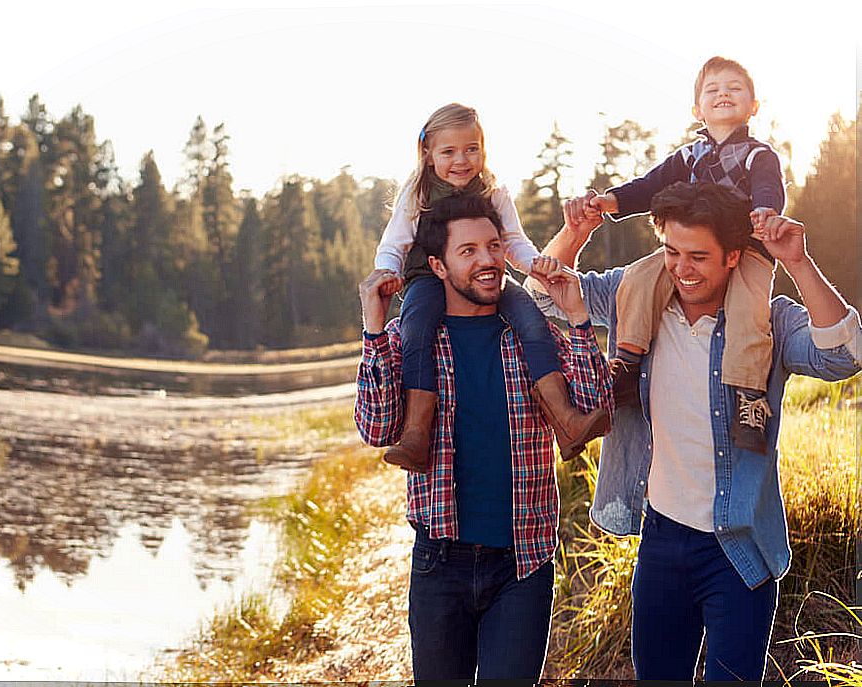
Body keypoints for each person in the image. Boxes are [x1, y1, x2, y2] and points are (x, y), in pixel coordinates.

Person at [538, 181, 862, 682]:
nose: (681, 269)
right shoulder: (636, 301)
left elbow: (844, 356)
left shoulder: (767, 320)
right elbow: (544, 300)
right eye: (670, 252)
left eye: (698, 257)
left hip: (737, 547)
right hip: (661, 541)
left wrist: (797, 262)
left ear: (734, 256)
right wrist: (573, 234)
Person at [355, 193, 612, 682]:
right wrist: (373, 326)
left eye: (494, 246)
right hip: (440, 562)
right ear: (438, 265)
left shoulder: (529, 336)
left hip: (524, 562)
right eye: (468, 251)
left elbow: (596, 404)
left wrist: (577, 316)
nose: (488, 260)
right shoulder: (414, 341)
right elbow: (374, 428)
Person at [567, 56, 786, 453]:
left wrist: (766, 211)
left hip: (746, 247)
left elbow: (770, 189)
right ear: (696, 109)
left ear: (753, 105)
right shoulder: (689, 156)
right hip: (689, 249)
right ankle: (628, 366)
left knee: (749, 309)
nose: (723, 94)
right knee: (637, 279)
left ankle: (749, 397)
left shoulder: (759, 155)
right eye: (712, 90)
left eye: (735, 88)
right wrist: (611, 200)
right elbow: (650, 186)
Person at [374, 103, 608, 471]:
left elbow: (513, 240)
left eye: (472, 148)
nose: (462, 160)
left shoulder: (493, 191)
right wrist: (386, 272)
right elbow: (394, 244)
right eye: (448, 151)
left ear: (484, 149)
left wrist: (535, 265)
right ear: (428, 154)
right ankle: (417, 431)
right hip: (427, 277)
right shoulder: (417, 192)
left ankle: (565, 419)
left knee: (531, 319)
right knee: (415, 328)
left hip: (489, 277)